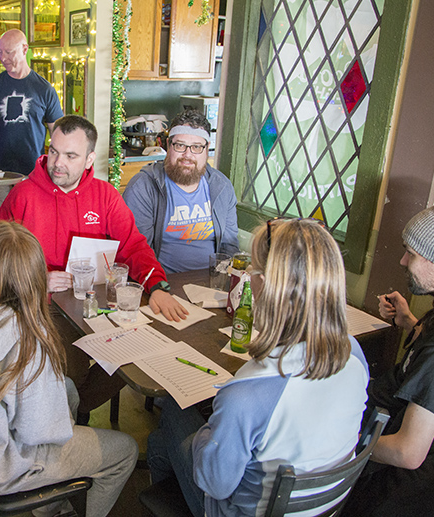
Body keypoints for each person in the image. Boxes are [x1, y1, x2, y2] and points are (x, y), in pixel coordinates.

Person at [147, 218, 369, 517]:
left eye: (251, 270)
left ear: (264, 284)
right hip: (322, 507)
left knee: (174, 410)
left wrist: (207, 431)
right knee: (162, 443)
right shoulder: (354, 354)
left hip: (237, 510)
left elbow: (215, 484)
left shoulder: (248, 395)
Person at [0, 221, 138, 517]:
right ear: (36, 279)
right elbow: (42, 431)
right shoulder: (27, 340)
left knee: (69, 390)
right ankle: (56, 505)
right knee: (124, 451)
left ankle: (49, 505)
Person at [0, 115, 188, 422]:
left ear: (88, 160)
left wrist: (158, 287)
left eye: (70, 156)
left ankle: (72, 411)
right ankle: (69, 417)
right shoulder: (23, 195)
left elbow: (133, 245)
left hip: (98, 302)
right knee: (72, 373)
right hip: (44, 305)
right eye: (54, 151)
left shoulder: (105, 196)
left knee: (141, 349)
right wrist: (37, 280)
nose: (57, 162)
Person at [342, 197, 434, 517]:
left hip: (385, 490)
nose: (402, 261)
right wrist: (410, 323)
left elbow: (408, 452)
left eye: (412, 252)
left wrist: (340, 443)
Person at [123, 109, 239, 272]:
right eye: (180, 145)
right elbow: (137, 252)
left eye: (197, 147)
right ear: (167, 146)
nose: (187, 155)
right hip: (164, 283)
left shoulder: (221, 186)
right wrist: (159, 287)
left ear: (206, 150)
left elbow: (230, 247)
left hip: (212, 282)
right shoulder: (143, 187)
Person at [0, 29, 63, 222]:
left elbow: (59, 134)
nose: (3, 58)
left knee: (30, 230)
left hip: (32, 174)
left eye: (9, 52)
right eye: (0, 52)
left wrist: (57, 170)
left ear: (24, 49)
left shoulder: (45, 90)